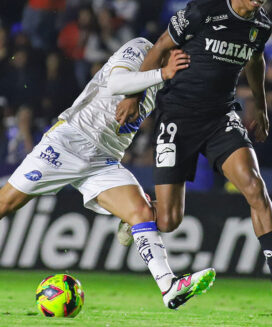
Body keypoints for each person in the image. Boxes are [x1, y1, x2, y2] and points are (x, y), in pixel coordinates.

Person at [116, 0, 272, 311]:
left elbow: (255, 59)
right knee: (169, 221)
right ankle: (141, 213)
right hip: (177, 116)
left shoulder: (260, 27)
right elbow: (160, 48)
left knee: (254, 186)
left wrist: (260, 107)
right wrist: (133, 94)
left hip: (222, 117)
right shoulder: (202, 12)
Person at [0, 37, 216, 310]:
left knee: (143, 212)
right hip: (68, 142)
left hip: (104, 160)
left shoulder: (173, 79)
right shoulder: (140, 48)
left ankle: (169, 287)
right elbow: (116, 84)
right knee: (4, 203)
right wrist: (163, 72)